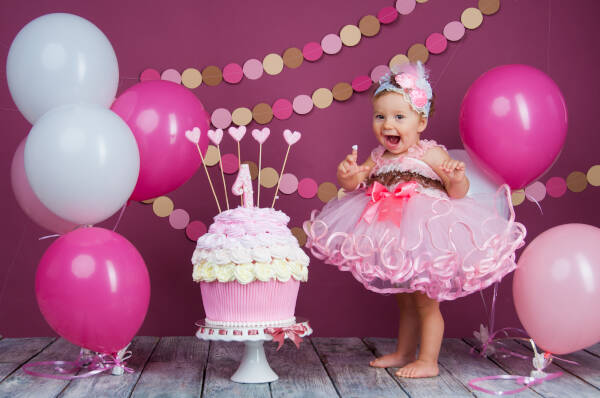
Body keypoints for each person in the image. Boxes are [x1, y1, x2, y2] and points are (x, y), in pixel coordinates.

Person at [304, 62, 526, 378]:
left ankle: (429, 361)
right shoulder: (378, 157)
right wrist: (348, 175)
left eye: (398, 117)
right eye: (380, 116)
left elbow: (458, 192)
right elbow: (355, 184)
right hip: (393, 232)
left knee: (426, 304)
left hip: (425, 236)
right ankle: (405, 352)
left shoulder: (428, 154)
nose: (387, 124)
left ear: (420, 121)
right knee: (405, 301)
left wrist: (456, 178)